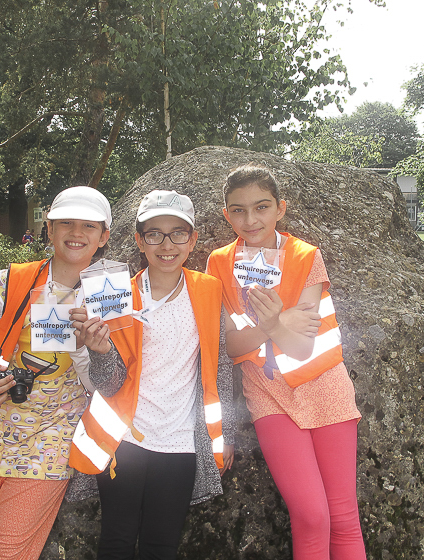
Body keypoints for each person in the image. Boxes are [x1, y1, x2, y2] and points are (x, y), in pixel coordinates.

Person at [0, 186, 112, 560]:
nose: (76, 233)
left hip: (52, 437)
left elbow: (106, 388)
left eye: (89, 226)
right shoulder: (11, 281)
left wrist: (84, 348)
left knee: (7, 550)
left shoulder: (109, 297)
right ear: (49, 228)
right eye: (66, 223)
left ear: (104, 236)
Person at [206, 165, 366, 560]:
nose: (250, 219)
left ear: (280, 208)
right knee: (311, 515)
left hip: (326, 386)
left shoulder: (305, 256)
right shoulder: (219, 263)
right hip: (268, 395)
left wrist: (275, 326)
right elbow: (230, 346)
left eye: (261, 207)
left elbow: (301, 348)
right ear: (227, 215)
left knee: (343, 517)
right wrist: (275, 323)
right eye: (239, 210)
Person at [70, 190, 235, 560]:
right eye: (155, 234)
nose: (167, 244)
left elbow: (220, 368)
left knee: (162, 545)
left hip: (180, 443)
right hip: (123, 438)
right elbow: (110, 384)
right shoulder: (115, 296)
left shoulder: (209, 291)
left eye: (178, 233)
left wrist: (225, 434)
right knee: (116, 540)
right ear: (139, 240)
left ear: (192, 239)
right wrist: (99, 351)